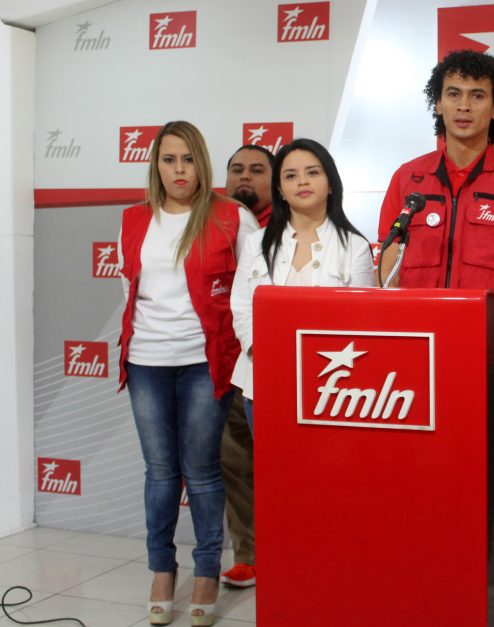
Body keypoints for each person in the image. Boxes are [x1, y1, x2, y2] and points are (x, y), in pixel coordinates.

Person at [118, 120, 259, 627]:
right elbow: (130, 290)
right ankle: (161, 571)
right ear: (155, 165)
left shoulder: (232, 217)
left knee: (201, 472)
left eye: (188, 159)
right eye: (168, 159)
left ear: (202, 163)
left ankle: (205, 573)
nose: (179, 170)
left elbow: (251, 291)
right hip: (146, 362)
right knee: (159, 473)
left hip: (205, 361)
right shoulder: (133, 219)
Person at [375, 49, 494, 324]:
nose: (464, 106)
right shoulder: (406, 177)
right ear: (438, 103)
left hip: (490, 339)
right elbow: (387, 274)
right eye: (454, 94)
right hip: (420, 335)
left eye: (477, 96)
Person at [231, 138, 374, 430]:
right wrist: (261, 352)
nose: (302, 181)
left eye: (312, 172)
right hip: (263, 381)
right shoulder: (256, 243)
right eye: (290, 176)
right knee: (272, 461)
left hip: (332, 385)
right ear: (280, 190)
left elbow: (360, 320)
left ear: (330, 183)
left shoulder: (355, 247)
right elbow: (241, 306)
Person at [218, 144, 274, 589]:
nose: (245, 177)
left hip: (279, 366)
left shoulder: (292, 228)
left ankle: (297, 548)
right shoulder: (211, 223)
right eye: (237, 169)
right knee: (234, 461)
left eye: (257, 170)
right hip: (228, 363)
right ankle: (249, 555)